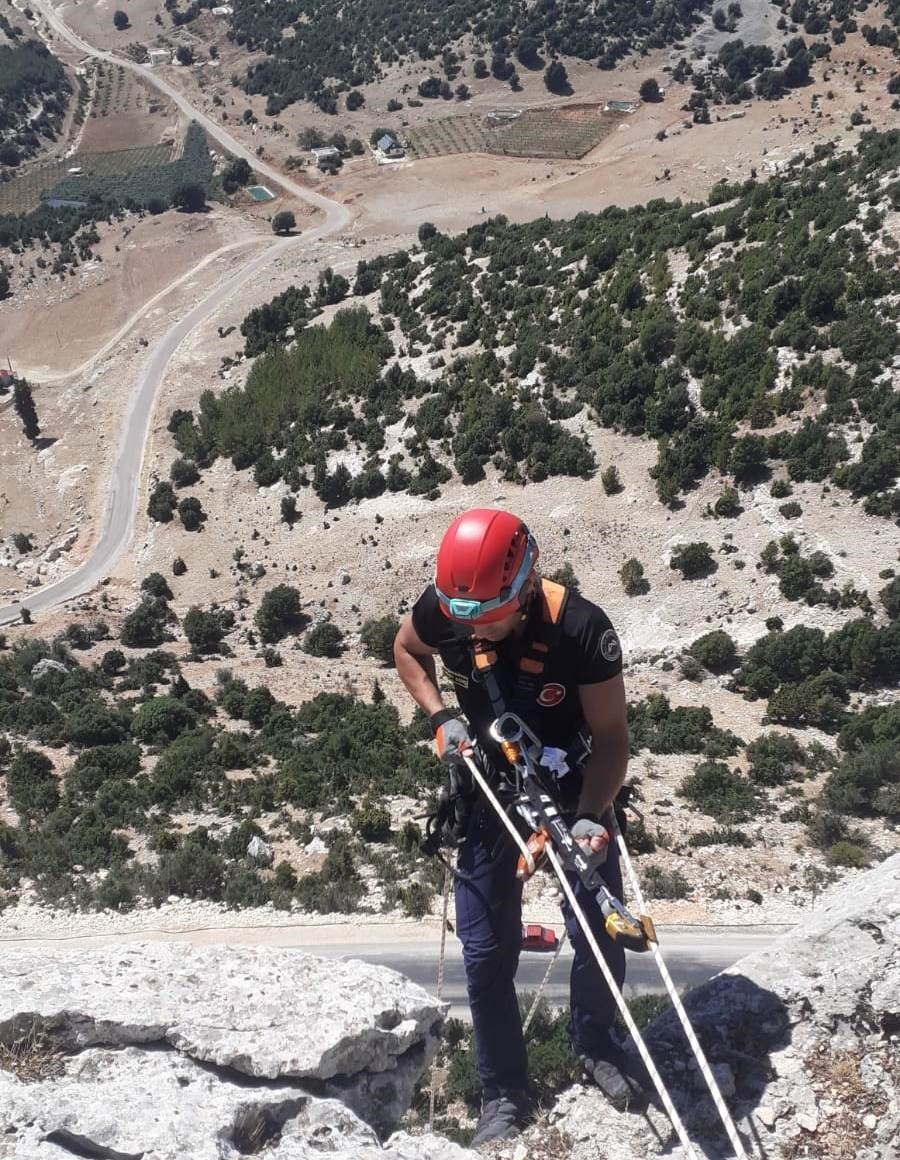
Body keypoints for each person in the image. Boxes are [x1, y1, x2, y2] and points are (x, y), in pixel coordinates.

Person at [394, 508, 646, 1147]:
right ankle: (503, 1092)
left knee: (598, 926)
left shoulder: (584, 632)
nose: (473, 629)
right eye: (463, 618)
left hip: (572, 782)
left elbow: (613, 739)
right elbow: (405, 648)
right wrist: (440, 715)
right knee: (483, 951)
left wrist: (591, 815)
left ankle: (596, 1044)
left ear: (527, 585)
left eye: (486, 617)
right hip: (489, 783)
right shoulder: (449, 608)